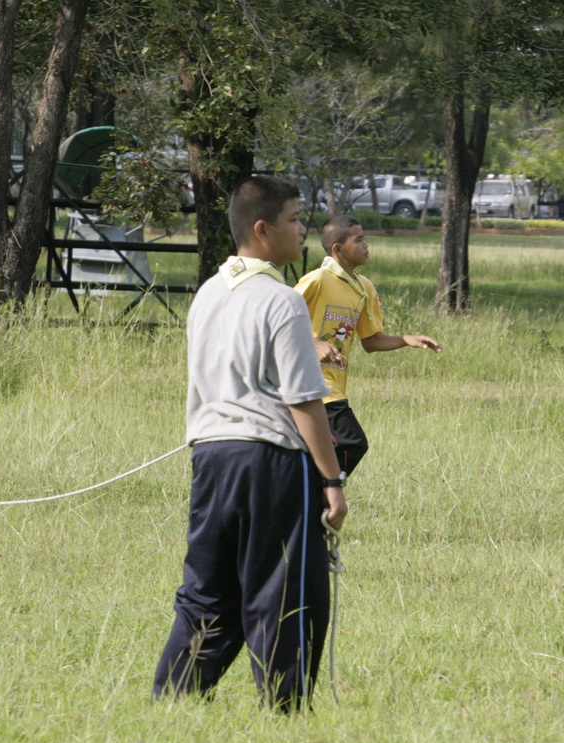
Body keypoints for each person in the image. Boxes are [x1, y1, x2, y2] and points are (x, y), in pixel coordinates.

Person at [153, 175, 348, 713]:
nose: (302, 228)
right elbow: (304, 400)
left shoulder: (208, 294)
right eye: (293, 219)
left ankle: (173, 699)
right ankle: (284, 711)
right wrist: (332, 481)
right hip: (271, 460)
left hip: (211, 457)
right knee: (284, 592)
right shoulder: (282, 300)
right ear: (262, 230)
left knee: (207, 592)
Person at [295, 215, 442, 477]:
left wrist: (405, 339)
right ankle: (324, 490)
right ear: (338, 249)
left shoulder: (364, 287)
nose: (366, 245)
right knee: (351, 442)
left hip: (335, 383)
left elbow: (371, 341)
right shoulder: (316, 280)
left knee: (320, 448)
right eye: (359, 240)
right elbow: (278, 320)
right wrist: (313, 343)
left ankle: (310, 491)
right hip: (312, 381)